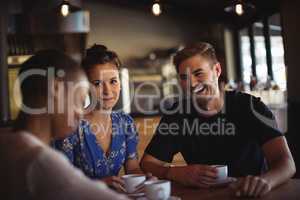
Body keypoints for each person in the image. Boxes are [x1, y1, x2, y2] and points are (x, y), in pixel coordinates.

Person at [141, 42, 296, 198]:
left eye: (199, 73)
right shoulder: (176, 114)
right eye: (184, 77)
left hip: (251, 195)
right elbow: (147, 163)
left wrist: (265, 181)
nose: (192, 84)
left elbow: (285, 162)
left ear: (217, 70)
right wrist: (174, 172)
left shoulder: (251, 107)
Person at [0, 50, 128, 200]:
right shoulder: (42, 163)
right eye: (79, 100)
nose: (81, 112)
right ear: (56, 89)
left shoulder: (7, 145)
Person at [53, 44, 151, 191]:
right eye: (97, 83)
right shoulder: (69, 126)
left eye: (113, 81)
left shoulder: (126, 123)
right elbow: (60, 182)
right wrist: (97, 185)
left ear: (120, 84)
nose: (108, 91)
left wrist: (147, 181)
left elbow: (133, 169)